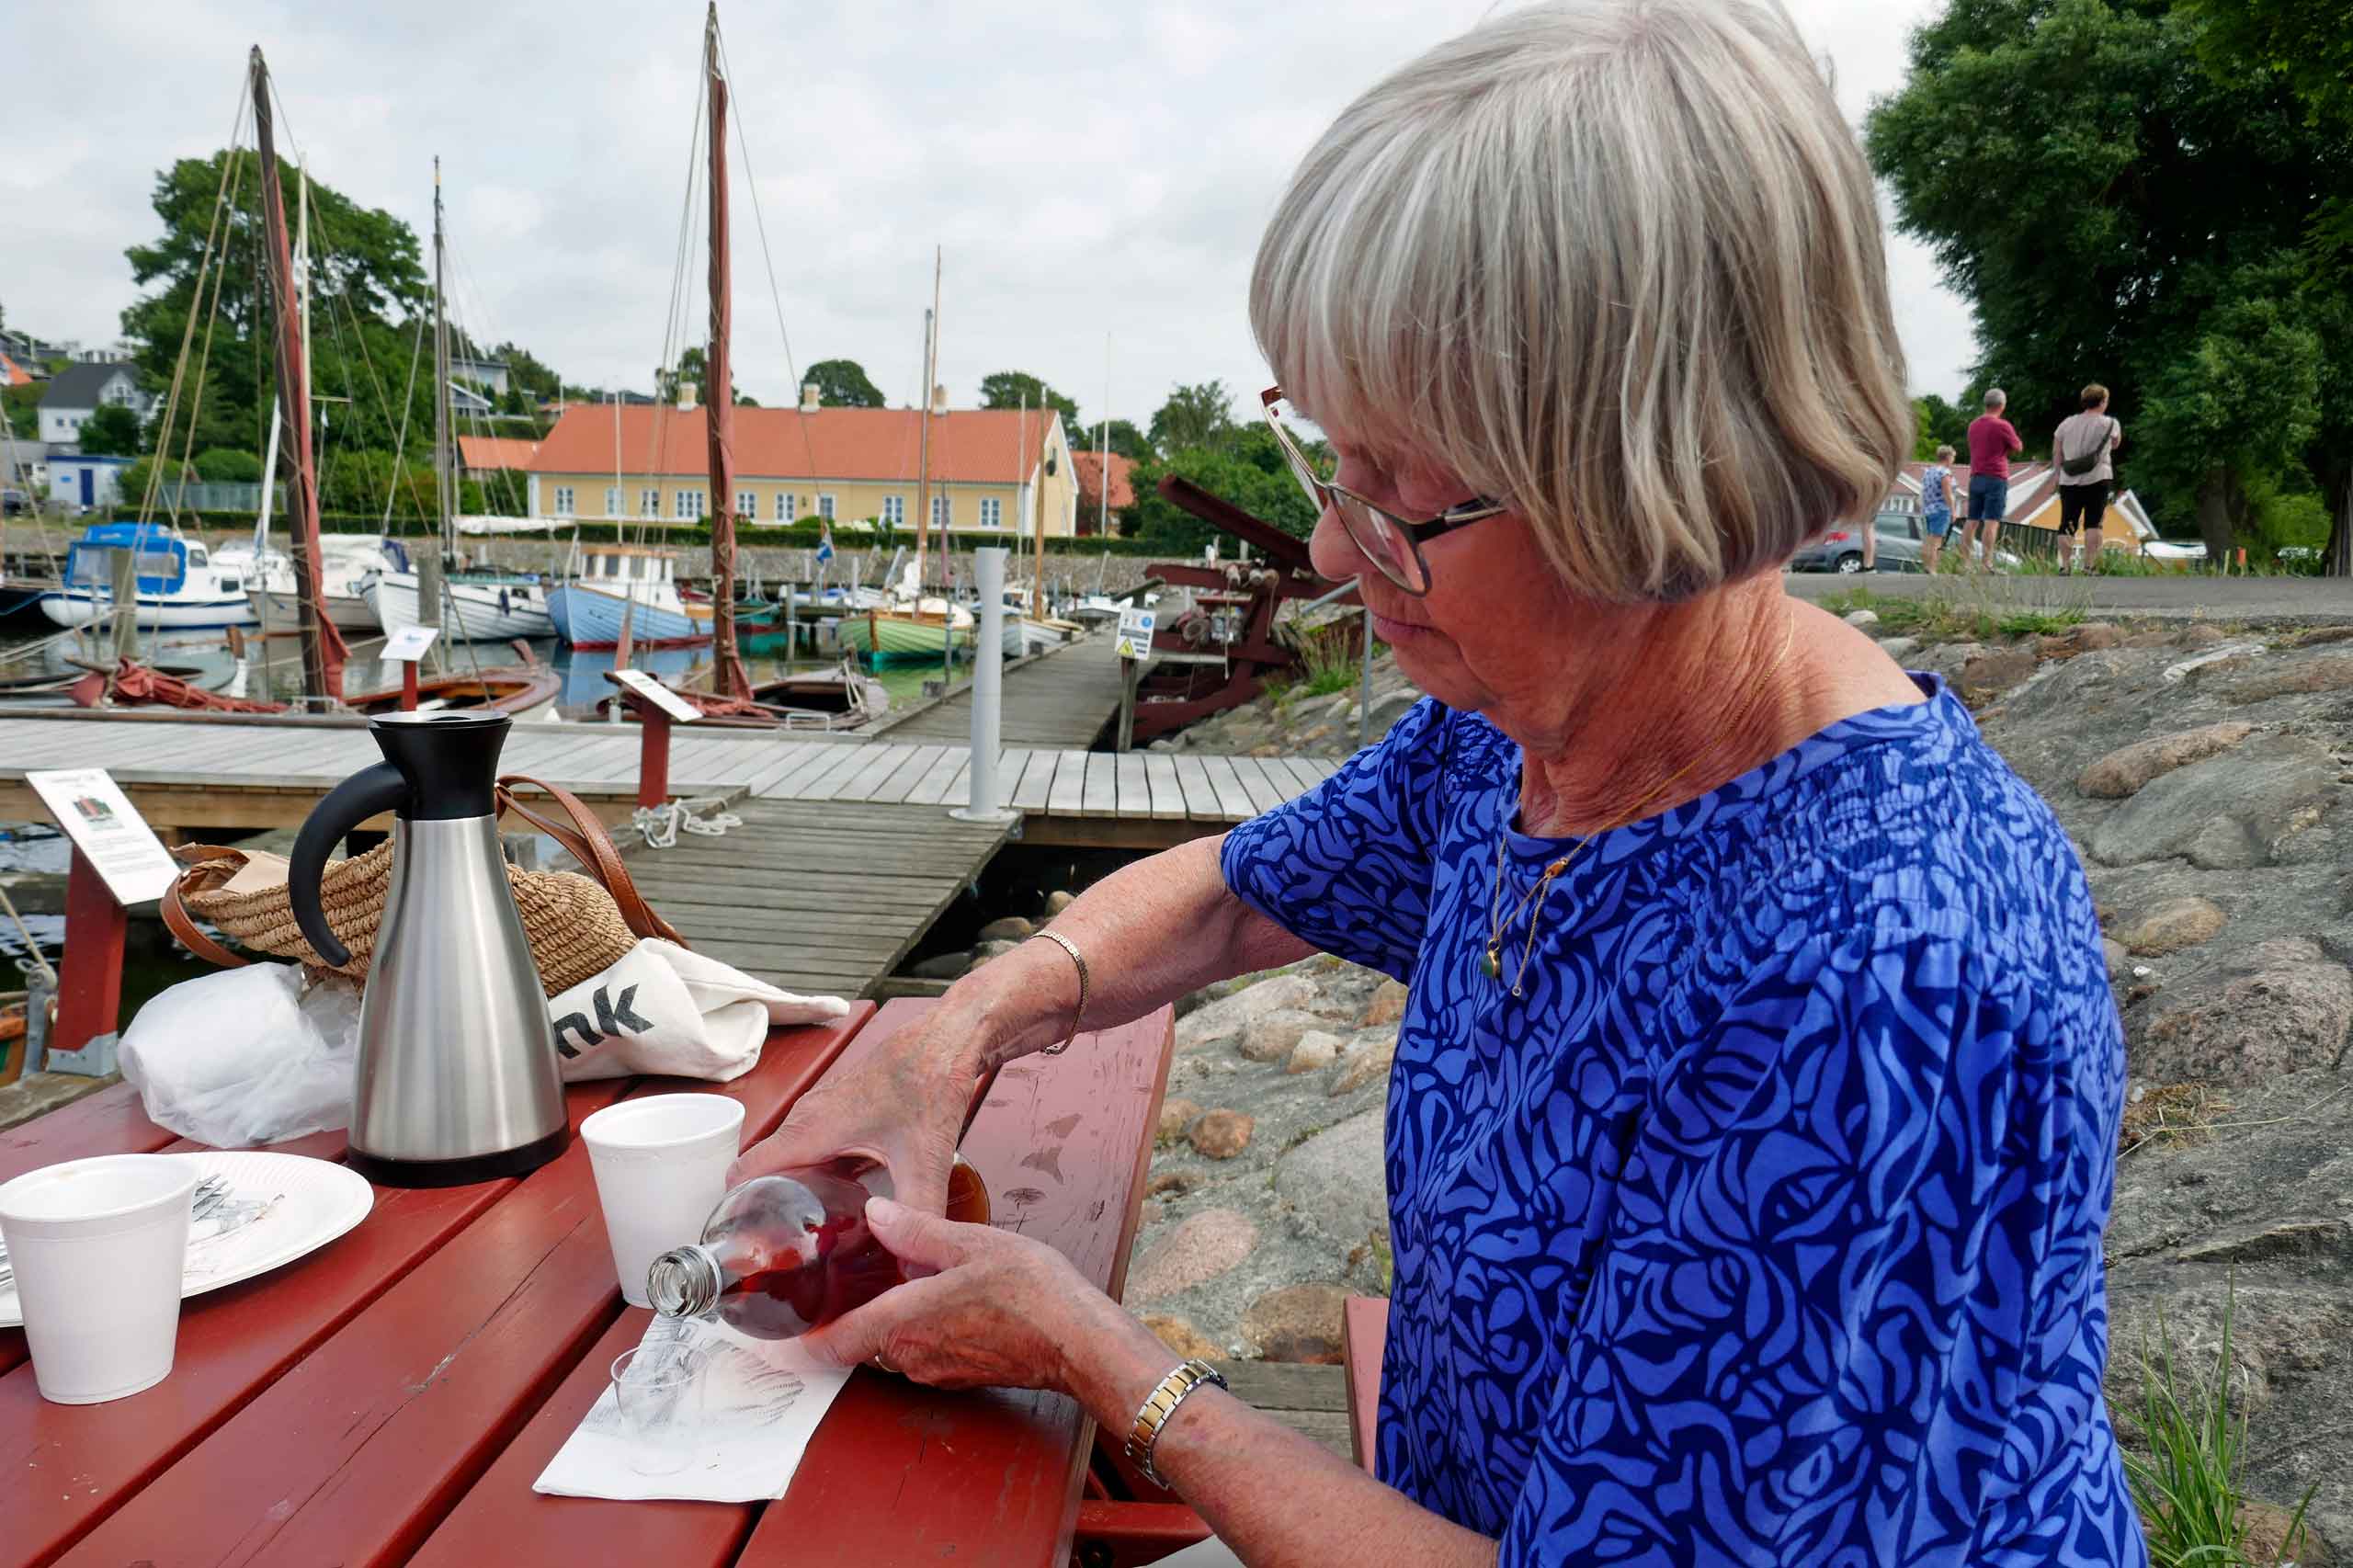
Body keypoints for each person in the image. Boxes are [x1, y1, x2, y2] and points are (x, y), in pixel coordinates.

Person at [733, 3, 2142, 1563]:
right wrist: (955, 1039)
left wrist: (1101, 1357)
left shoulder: (1875, 986)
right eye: (1330, 461)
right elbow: (1228, 895)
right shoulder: (1525, 727)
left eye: (1399, 491)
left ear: (1645, 478)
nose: (1336, 552)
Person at [2055, 383, 2123, 571]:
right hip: (2098, 477)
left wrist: (2057, 475)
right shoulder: (2110, 423)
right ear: (2102, 401)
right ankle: (2089, 566)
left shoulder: (2066, 423)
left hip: (2069, 479)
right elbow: (2116, 444)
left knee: (2067, 523)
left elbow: (2057, 452)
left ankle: (2065, 566)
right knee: (2094, 523)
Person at [1961, 387, 2022, 566]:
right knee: (1992, 521)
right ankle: (1986, 563)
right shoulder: (2002, 425)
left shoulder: (1973, 425)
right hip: (1996, 477)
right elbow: (2018, 447)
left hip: (1976, 476)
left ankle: (1964, 562)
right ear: (2002, 405)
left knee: (1971, 520)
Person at [1920, 442, 1957, 571]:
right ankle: (1932, 568)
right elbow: (1948, 494)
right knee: (1937, 540)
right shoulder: (1945, 473)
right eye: (1953, 457)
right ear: (1948, 457)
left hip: (1928, 509)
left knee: (1929, 539)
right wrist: (1953, 511)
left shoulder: (1929, 471)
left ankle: (1926, 566)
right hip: (1941, 509)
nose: (1953, 460)